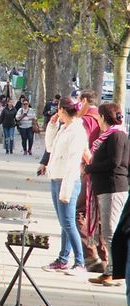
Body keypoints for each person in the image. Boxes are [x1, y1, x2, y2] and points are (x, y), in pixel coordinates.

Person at [42, 97, 88, 275]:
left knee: (68, 222)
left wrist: (66, 189)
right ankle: (63, 258)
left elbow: (72, 162)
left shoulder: (77, 132)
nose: (56, 113)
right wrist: (52, 127)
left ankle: (80, 262)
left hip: (67, 180)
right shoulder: (63, 128)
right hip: (56, 178)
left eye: (58, 110)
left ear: (62, 110)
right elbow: (50, 147)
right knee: (63, 223)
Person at [84, 103, 129, 285]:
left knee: (110, 231)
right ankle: (110, 269)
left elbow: (114, 162)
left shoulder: (116, 135)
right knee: (107, 231)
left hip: (113, 187)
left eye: (99, 117)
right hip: (105, 188)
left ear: (103, 117)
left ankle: (116, 272)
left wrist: (90, 167)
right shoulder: (110, 135)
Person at [76, 89, 107, 273]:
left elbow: (82, 145)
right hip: (101, 174)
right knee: (100, 216)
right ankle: (104, 258)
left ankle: (91, 255)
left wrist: (83, 165)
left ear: (85, 100)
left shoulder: (85, 120)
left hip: (88, 172)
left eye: (79, 100)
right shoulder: (100, 120)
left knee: (79, 213)